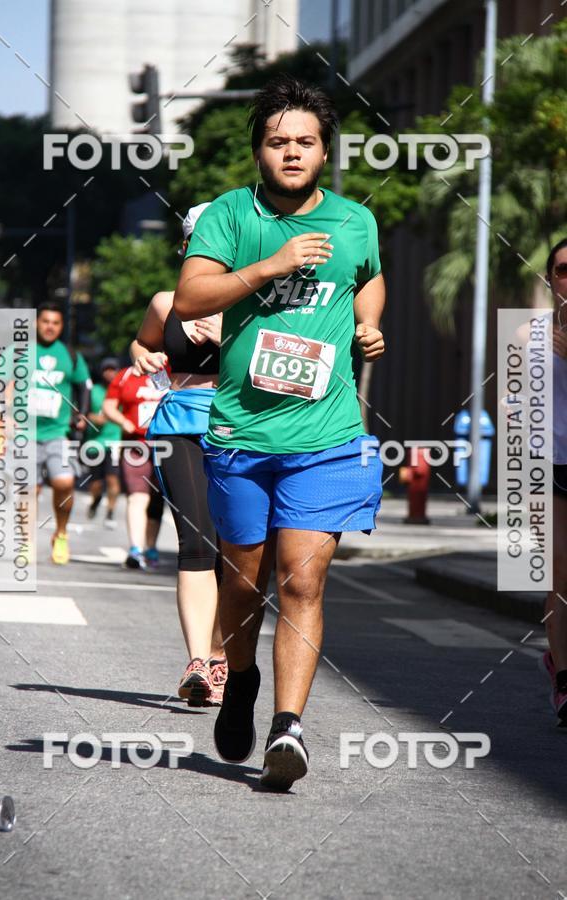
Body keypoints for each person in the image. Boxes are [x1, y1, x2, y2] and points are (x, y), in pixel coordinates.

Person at [174, 75, 386, 789]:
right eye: (277, 142)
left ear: (325, 152)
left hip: (327, 435)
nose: (291, 152)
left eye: (305, 142)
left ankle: (287, 728)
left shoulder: (355, 220)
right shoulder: (230, 215)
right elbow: (190, 297)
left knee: (302, 580)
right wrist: (270, 265)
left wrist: (368, 322)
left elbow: (368, 276)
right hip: (242, 433)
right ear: (258, 151)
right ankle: (240, 678)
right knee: (242, 585)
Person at [130, 202, 227, 707]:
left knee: (237, 549)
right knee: (197, 541)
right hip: (179, 425)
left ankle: (222, 654)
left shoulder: (251, 302)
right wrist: (143, 356)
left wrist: (230, 338)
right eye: (197, 241)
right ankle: (198, 664)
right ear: (185, 247)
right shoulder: (165, 302)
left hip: (239, 427)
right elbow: (140, 343)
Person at [32, 302, 91, 564]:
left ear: (61, 326)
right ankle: (26, 540)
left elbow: (84, 385)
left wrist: (82, 415)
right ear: (37, 323)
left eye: (55, 323)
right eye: (45, 321)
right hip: (25, 432)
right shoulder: (20, 351)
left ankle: (61, 533)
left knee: (65, 483)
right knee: (28, 488)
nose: (50, 327)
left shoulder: (70, 354)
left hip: (59, 432)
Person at [538, 237, 567, 725]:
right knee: (558, 573)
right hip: (551, 465)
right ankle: (564, 678)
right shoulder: (530, 334)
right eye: (562, 270)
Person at [102, 364, 164, 569]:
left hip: (165, 445)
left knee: (157, 499)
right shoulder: (126, 375)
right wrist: (123, 421)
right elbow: (109, 406)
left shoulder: (167, 370)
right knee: (138, 496)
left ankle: (151, 547)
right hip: (135, 445)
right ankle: (135, 549)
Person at [85, 357, 121, 529]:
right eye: (107, 369)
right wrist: (94, 418)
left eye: (113, 369)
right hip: (95, 443)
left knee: (113, 479)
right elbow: (82, 412)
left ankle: (110, 512)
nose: (110, 373)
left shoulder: (121, 390)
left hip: (114, 442)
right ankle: (95, 500)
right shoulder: (93, 391)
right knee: (97, 483)